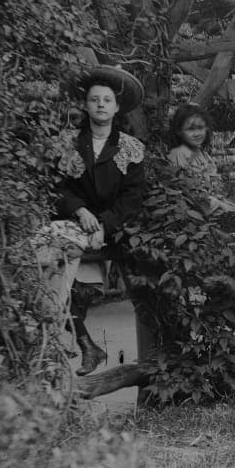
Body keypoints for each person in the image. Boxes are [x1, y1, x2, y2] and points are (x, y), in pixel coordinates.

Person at [44, 65, 146, 375]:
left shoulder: (130, 148)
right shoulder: (68, 142)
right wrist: (79, 210)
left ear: (116, 108)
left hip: (113, 228)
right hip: (73, 221)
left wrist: (104, 224)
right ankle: (77, 340)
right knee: (47, 255)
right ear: (85, 105)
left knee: (64, 259)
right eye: (94, 100)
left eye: (107, 100)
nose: (100, 105)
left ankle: (69, 340)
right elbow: (57, 187)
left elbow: (132, 199)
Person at [167, 102, 235, 261]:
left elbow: (213, 187)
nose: (197, 133)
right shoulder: (178, 155)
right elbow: (188, 191)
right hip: (195, 214)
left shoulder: (203, 155)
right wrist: (218, 205)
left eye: (200, 128)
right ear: (179, 131)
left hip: (212, 208)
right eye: (190, 129)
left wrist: (223, 202)